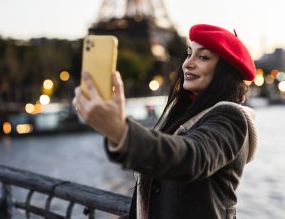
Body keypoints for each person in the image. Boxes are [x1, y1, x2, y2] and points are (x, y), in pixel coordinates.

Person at [72, 24, 258, 219]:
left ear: (224, 71)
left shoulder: (231, 118)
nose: (187, 64)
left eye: (202, 57)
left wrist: (120, 132)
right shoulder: (181, 116)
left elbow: (192, 157)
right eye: (188, 54)